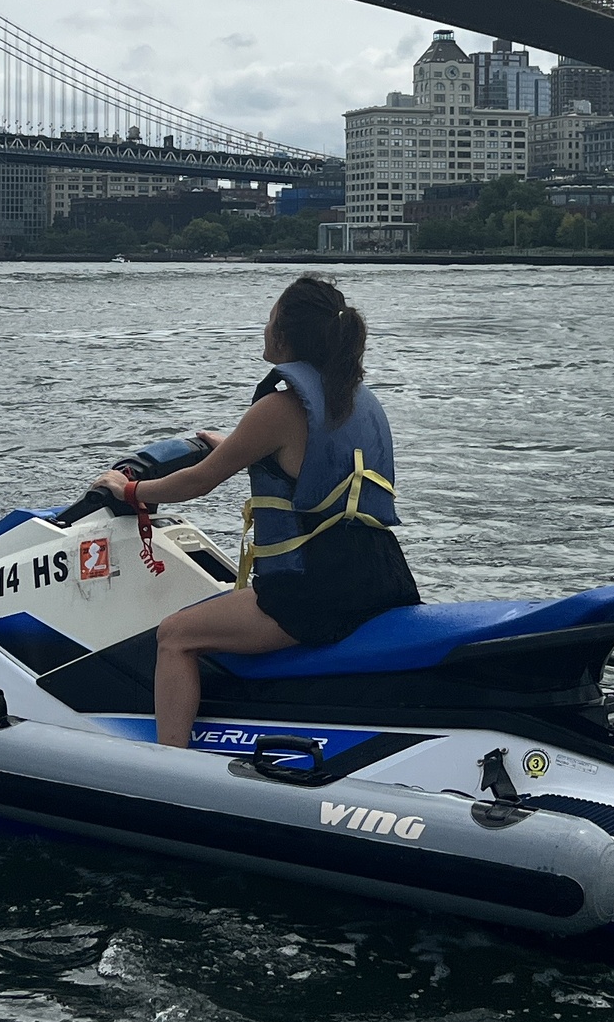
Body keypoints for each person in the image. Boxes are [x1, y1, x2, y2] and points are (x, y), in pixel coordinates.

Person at [93, 274, 417, 747]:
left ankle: (168, 766)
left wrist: (130, 491)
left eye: (270, 319)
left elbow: (199, 481)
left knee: (175, 636)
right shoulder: (357, 399)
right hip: (383, 573)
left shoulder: (279, 408)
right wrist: (235, 447)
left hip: (315, 586)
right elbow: (313, 467)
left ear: (285, 334)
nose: (264, 328)